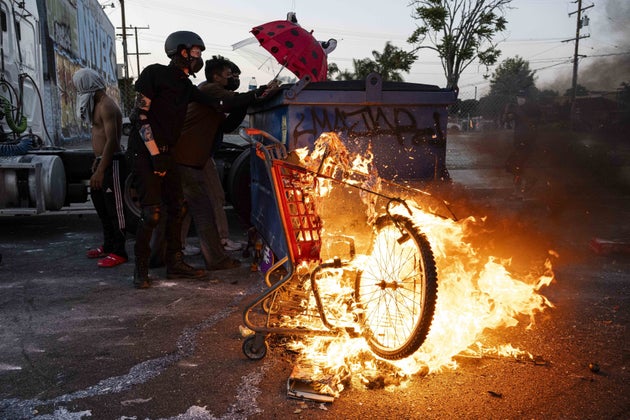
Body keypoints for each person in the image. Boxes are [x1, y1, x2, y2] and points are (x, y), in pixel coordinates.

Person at [126, 31, 226, 289]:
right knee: (151, 214)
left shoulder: (185, 86)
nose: (199, 58)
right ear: (183, 51)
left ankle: (175, 263)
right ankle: (141, 270)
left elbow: (213, 101)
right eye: (197, 52)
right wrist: (155, 155)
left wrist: (256, 96)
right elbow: (139, 116)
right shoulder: (154, 73)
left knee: (177, 207)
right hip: (144, 152)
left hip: (167, 152)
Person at [173, 55, 280, 270]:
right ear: (215, 76)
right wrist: (258, 93)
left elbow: (227, 124)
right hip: (188, 157)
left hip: (194, 157)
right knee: (205, 209)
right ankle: (215, 259)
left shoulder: (212, 98)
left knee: (187, 206)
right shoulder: (210, 90)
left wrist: (247, 101)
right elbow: (232, 100)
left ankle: (171, 252)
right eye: (228, 75)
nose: (232, 78)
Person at [72, 68, 128, 268]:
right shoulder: (96, 105)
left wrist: (101, 169)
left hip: (111, 163)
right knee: (102, 208)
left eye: (78, 85)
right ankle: (108, 246)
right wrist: (97, 161)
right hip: (101, 161)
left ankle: (119, 251)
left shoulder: (107, 106)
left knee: (115, 210)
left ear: (87, 85)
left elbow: (113, 140)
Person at [504, 90, 541, 197]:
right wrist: (508, 111)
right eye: (518, 97)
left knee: (516, 166)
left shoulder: (526, 109)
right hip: (523, 142)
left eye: (521, 97)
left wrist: (509, 111)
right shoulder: (521, 109)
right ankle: (523, 186)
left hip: (525, 142)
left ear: (527, 99)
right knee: (516, 166)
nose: (519, 99)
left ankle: (519, 191)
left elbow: (507, 119)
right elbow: (507, 120)